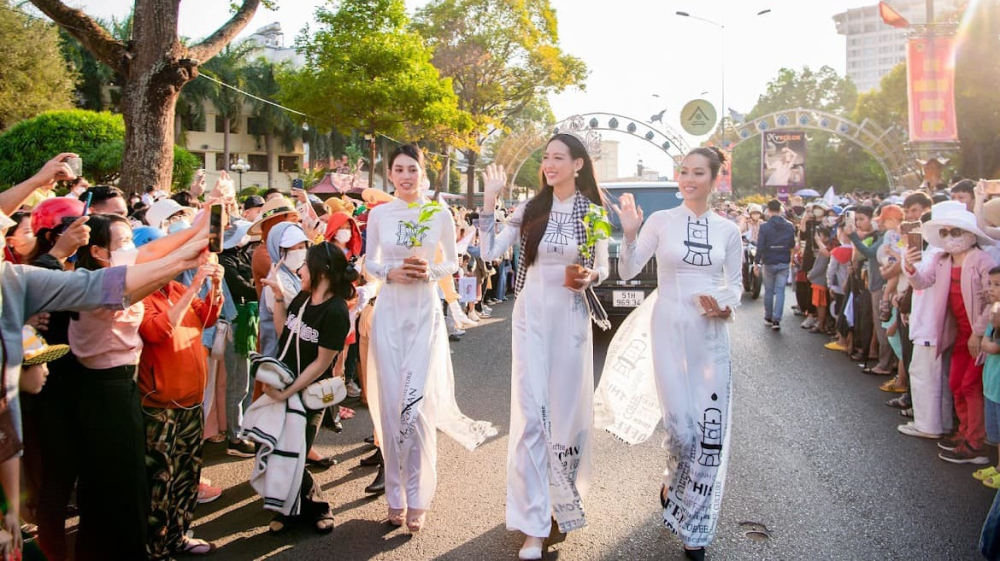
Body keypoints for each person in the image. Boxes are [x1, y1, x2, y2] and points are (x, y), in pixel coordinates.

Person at [478, 133, 609, 560]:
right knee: (533, 419)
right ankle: (532, 525)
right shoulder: (530, 209)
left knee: (567, 417)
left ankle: (561, 499)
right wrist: (488, 202)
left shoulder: (592, 213)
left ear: (578, 165)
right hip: (531, 321)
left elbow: (602, 267)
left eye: (558, 157)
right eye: (546, 158)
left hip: (570, 323)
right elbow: (488, 251)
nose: (549, 164)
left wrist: (591, 277)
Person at [612, 146, 742, 561]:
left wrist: (725, 303)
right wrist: (630, 234)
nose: (688, 179)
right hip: (668, 330)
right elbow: (628, 271)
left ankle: (696, 529)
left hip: (711, 334)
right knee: (683, 434)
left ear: (715, 179)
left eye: (698, 173)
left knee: (710, 436)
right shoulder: (661, 221)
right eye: (683, 171)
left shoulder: (729, 230)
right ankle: (672, 481)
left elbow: (736, 286)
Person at [365, 144, 496, 534]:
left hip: (423, 313)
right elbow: (368, 262)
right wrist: (390, 272)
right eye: (399, 169)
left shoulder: (437, 212)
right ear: (390, 174)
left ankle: (419, 497)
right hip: (389, 313)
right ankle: (395, 497)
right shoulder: (378, 214)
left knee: (415, 406)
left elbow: (452, 262)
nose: (406, 176)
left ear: (423, 174)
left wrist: (428, 271)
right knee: (392, 407)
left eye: (412, 169)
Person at [255, 242, 354, 534]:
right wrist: (277, 296)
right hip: (282, 384)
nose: (299, 270)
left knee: (295, 451)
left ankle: (319, 507)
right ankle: (288, 510)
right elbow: (284, 331)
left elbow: (322, 363)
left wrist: (290, 391)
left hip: (310, 392)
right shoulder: (301, 297)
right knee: (275, 448)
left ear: (320, 271)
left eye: (304, 265)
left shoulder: (336, 311)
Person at [138, 256, 223, 559]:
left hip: (190, 402)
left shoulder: (175, 289)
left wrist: (214, 287)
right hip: (159, 407)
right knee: (159, 483)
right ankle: (156, 549)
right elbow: (157, 331)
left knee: (187, 475)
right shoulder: (141, 298)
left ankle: (179, 535)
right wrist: (196, 285)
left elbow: (207, 316)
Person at [904, 201, 996, 463]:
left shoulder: (982, 260)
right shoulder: (941, 259)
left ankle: (975, 443)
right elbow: (923, 281)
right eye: (944, 233)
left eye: (955, 232)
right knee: (956, 383)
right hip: (956, 335)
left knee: (970, 386)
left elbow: (993, 300)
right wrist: (910, 268)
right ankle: (965, 432)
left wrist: (978, 332)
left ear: (969, 234)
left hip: (977, 335)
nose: (949, 238)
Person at [754, 199, 796, 330]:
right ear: (781, 209)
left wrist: (756, 262)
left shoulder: (765, 227)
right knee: (780, 291)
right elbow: (792, 244)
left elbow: (760, 246)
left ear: (768, 210)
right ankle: (777, 320)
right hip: (783, 260)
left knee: (769, 290)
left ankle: (768, 315)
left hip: (769, 260)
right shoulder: (789, 226)